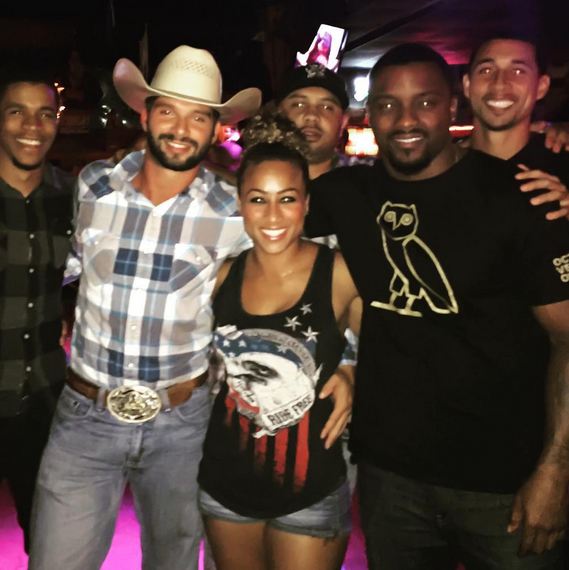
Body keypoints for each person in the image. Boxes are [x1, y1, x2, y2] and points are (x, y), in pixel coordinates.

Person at [305, 43, 569, 569]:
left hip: (505, 485)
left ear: (453, 106)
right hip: (391, 479)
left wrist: (557, 469)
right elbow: (255, 202)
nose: (405, 120)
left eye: (424, 102)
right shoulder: (348, 193)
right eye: (387, 104)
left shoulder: (521, 197)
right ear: (368, 114)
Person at [29, 45, 262, 570]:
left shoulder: (233, 211)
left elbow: (287, 282)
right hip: (85, 418)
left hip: (183, 424)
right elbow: (61, 266)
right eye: (169, 111)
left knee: (173, 562)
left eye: (198, 116)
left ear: (216, 128)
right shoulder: (94, 185)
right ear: (145, 114)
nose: (181, 128)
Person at [198, 112, 360, 570]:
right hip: (225, 485)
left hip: (312, 490)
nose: (272, 216)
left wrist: (354, 372)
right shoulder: (222, 276)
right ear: (241, 204)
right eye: (258, 199)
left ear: (306, 203)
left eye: (287, 198)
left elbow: (400, 345)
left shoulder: (340, 272)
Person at [0, 65, 73, 553]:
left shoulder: (72, 195)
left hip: (44, 398)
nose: (32, 126)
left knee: (49, 544)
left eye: (45, 113)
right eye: (16, 112)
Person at [463, 34, 569, 220]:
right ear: (467, 85)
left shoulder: (563, 162)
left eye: (518, 71)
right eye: (486, 70)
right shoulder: (438, 166)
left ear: (541, 87)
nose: (499, 83)